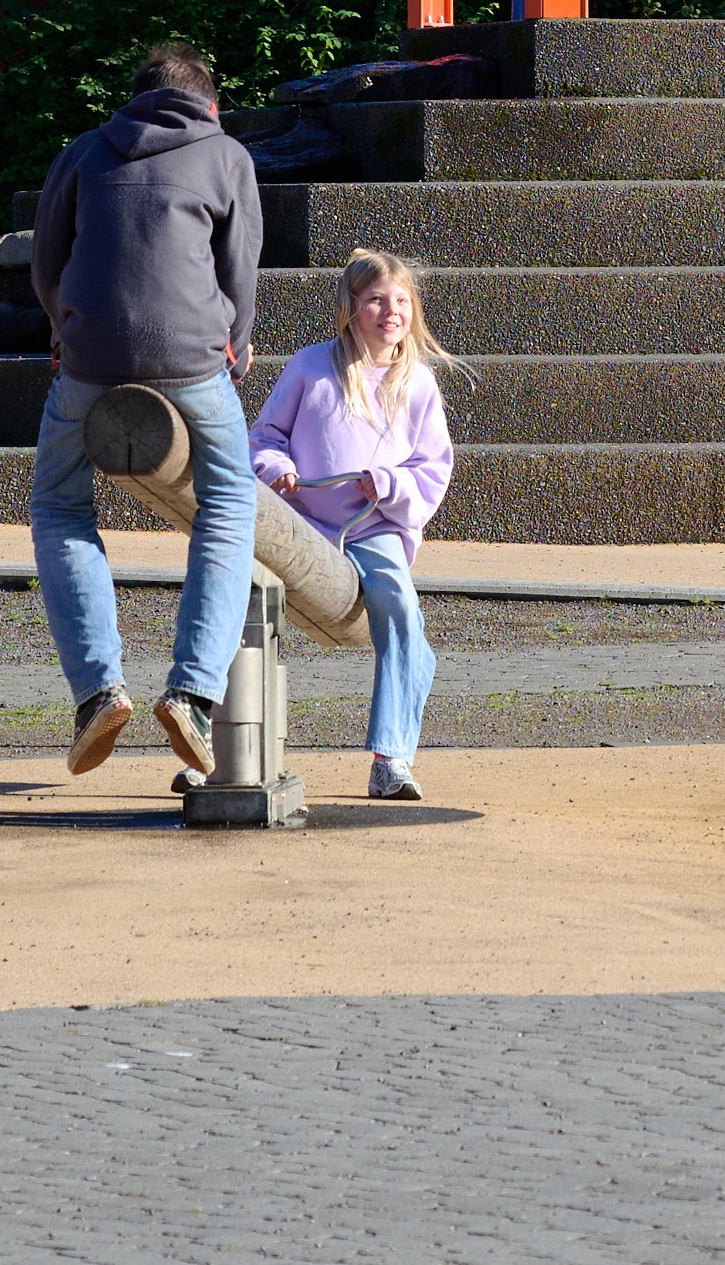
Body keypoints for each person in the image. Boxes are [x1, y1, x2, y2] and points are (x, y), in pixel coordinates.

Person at [26, 40, 265, 780]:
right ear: (210, 102)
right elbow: (240, 265)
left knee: (58, 508)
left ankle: (97, 692)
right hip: (195, 357)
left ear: (133, 98)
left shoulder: (84, 151)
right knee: (228, 503)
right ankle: (192, 692)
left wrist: (64, 330)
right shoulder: (225, 153)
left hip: (89, 358)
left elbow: (46, 258)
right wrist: (238, 342)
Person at [252, 248, 458, 802]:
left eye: (400, 302)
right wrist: (279, 468)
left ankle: (391, 758)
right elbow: (264, 437)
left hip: (374, 528)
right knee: (234, 586)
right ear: (351, 309)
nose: (390, 312)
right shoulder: (310, 366)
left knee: (399, 602)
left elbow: (432, 469)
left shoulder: (418, 385)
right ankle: (216, 748)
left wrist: (388, 484)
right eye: (375, 301)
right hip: (299, 520)